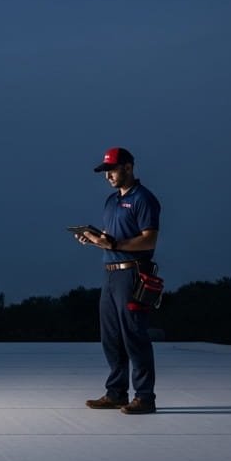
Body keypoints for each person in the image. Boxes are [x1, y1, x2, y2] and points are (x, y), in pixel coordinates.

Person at [74, 146, 161, 414]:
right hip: (110, 274)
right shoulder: (111, 201)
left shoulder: (144, 199)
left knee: (134, 335)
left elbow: (149, 238)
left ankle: (145, 397)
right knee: (111, 337)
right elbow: (111, 238)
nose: (108, 175)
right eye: (105, 171)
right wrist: (94, 240)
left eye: (112, 169)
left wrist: (112, 244)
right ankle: (116, 393)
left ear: (128, 167)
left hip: (132, 273)